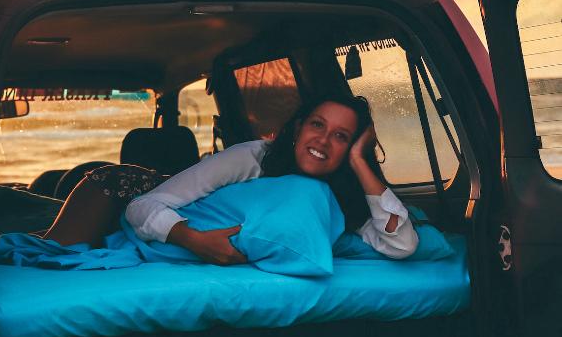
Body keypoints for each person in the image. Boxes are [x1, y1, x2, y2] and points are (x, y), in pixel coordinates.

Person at [42, 92, 419, 261]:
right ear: (299, 127)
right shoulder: (251, 156)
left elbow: (401, 245)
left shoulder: (340, 193)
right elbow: (145, 205)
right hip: (120, 188)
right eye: (317, 125)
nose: (323, 140)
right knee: (44, 250)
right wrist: (192, 239)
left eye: (341, 137)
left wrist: (359, 162)